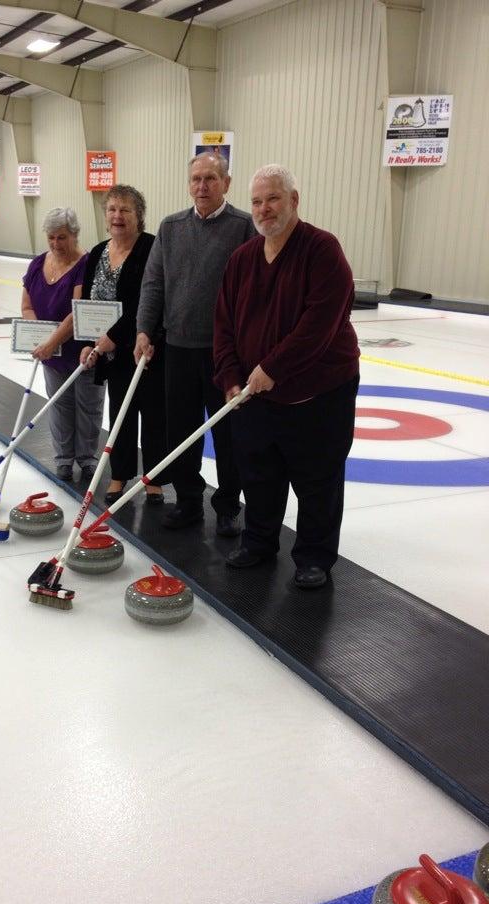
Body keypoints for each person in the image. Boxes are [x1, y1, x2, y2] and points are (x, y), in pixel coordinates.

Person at [213, 164, 360, 589]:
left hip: (318, 396)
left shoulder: (322, 250)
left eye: (273, 198)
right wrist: (230, 377)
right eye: (257, 202)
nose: (264, 209)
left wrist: (272, 368)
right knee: (259, 474)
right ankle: (259, 541)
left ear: (294, 200)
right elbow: (223, 324)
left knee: (318, 481)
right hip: (255, 396)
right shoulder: (242, 260)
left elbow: (321, 324)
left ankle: (314, 556)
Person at [134, 152, 255, 536]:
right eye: (196, 179)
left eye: (211, 179)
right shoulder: (171, 227)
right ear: (189, 184)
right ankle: (188, 500)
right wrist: (143, 330)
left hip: (224, 354)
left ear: (226, 183)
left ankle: (226, 506)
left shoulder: (244, 227)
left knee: (229, 434)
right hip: (178, 349)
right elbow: (153, 283)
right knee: (181, 431)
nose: (202, 186)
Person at [79, 185, 168, 503]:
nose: (117, 216)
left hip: (146, 347)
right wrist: (90, 341)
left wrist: (113, 337)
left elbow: (146, 301)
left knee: (154, 413)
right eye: (112, 209)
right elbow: (88, 301)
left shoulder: (152, 248)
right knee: (120, 413)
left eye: (125, 210)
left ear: (139, 216)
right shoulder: (97, 251)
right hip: (111, 352)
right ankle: (119, 475)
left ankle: (154, 480)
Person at [21, 207, 105, 482]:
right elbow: (27, 305)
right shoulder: (36, 265)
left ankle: (87, 458)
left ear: (75, 235)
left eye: (62, 238)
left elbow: (76, 312)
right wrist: (38, 339)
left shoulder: (86, 263)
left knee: (88, 407)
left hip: (82, 349)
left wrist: (50, 341)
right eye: (51, 238)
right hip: (52, 352)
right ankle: (64, 459)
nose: (56, 244)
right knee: (59, 406)